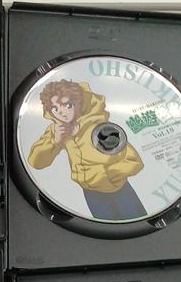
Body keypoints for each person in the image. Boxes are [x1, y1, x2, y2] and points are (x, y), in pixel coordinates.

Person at [26, 78, 146, 221]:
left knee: (136, 221)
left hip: (120, 191)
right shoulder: (57, 130)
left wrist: (106, 175)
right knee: (104, 228)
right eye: (55, 109)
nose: (61, 113)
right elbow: (36, 162)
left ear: (79, 102)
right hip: (91, 194)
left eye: (67, 105)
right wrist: (55, 141)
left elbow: (134, 161)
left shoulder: (100, 127)